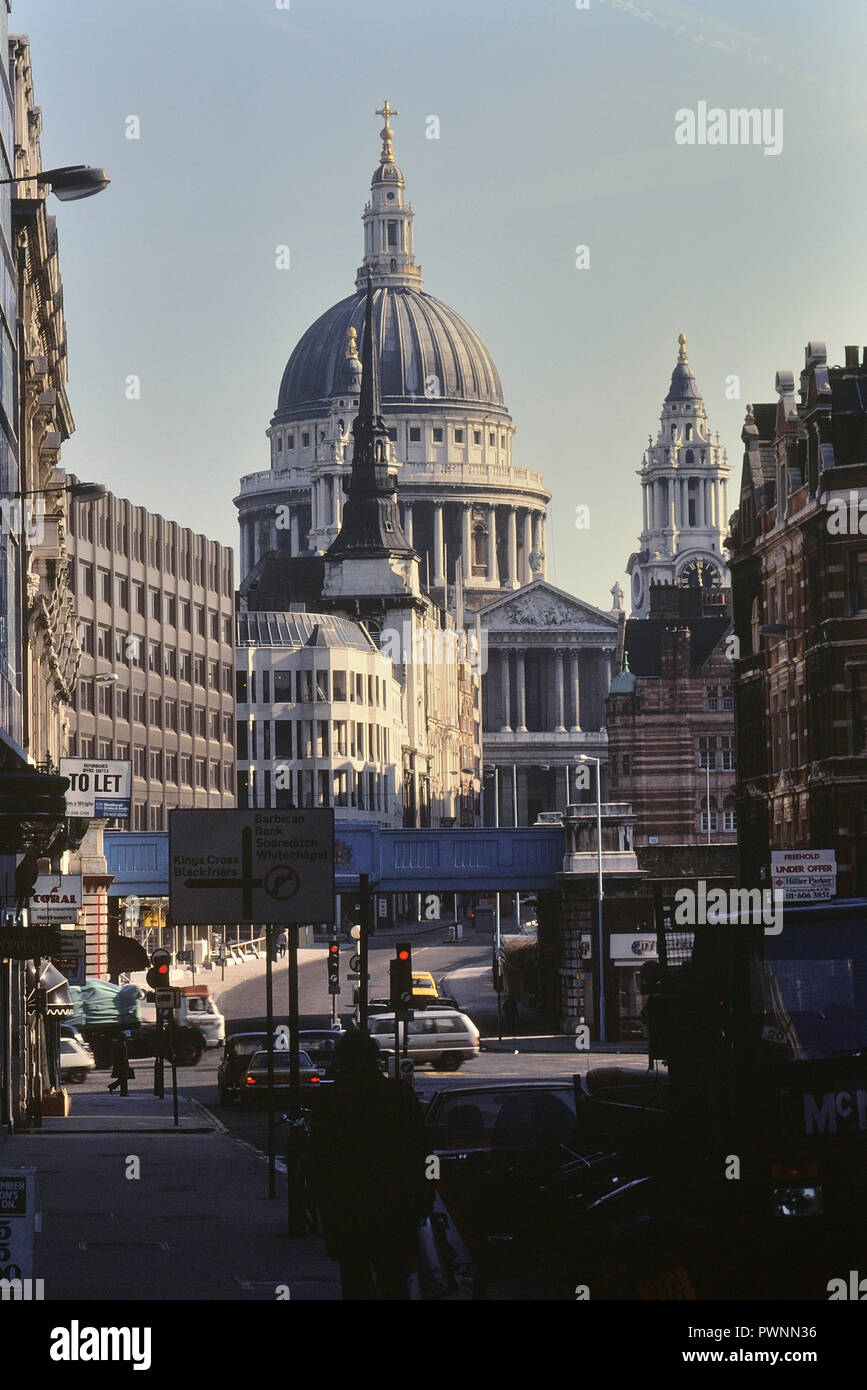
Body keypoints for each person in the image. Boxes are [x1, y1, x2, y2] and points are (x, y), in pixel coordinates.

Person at [308, 1031, 433, 1299]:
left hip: (347, 1209)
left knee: (355, 1283)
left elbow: (318, 1158)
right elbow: (422, 1150)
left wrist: (322, 1206)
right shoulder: (399, 1095)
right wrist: (424, 1197)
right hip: (395, 1207)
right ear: (374, 1060)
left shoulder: (330, 1100)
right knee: (395, 1282)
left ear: (342, 1061)